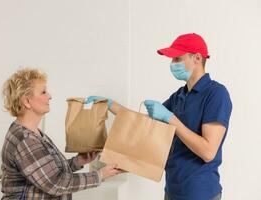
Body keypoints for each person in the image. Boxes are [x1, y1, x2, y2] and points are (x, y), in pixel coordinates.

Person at [86, 33, 232, 200]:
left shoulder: (216, 94)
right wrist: (111, 104)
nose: (172, 64)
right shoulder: (179, 96)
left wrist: (171, 119)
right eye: (172, 60)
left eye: (177, 58)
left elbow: (208, 152)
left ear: (197, 58)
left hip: (200, 192)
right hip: (172, 190)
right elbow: (142, 123)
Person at [1, 68, 121, 200]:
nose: (50, 96)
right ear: (27, 101)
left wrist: (78, 161)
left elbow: (49, 171)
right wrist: (101, 174)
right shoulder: (25, 139)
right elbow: (55, 183)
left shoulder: (33, 133)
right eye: (43, 92)